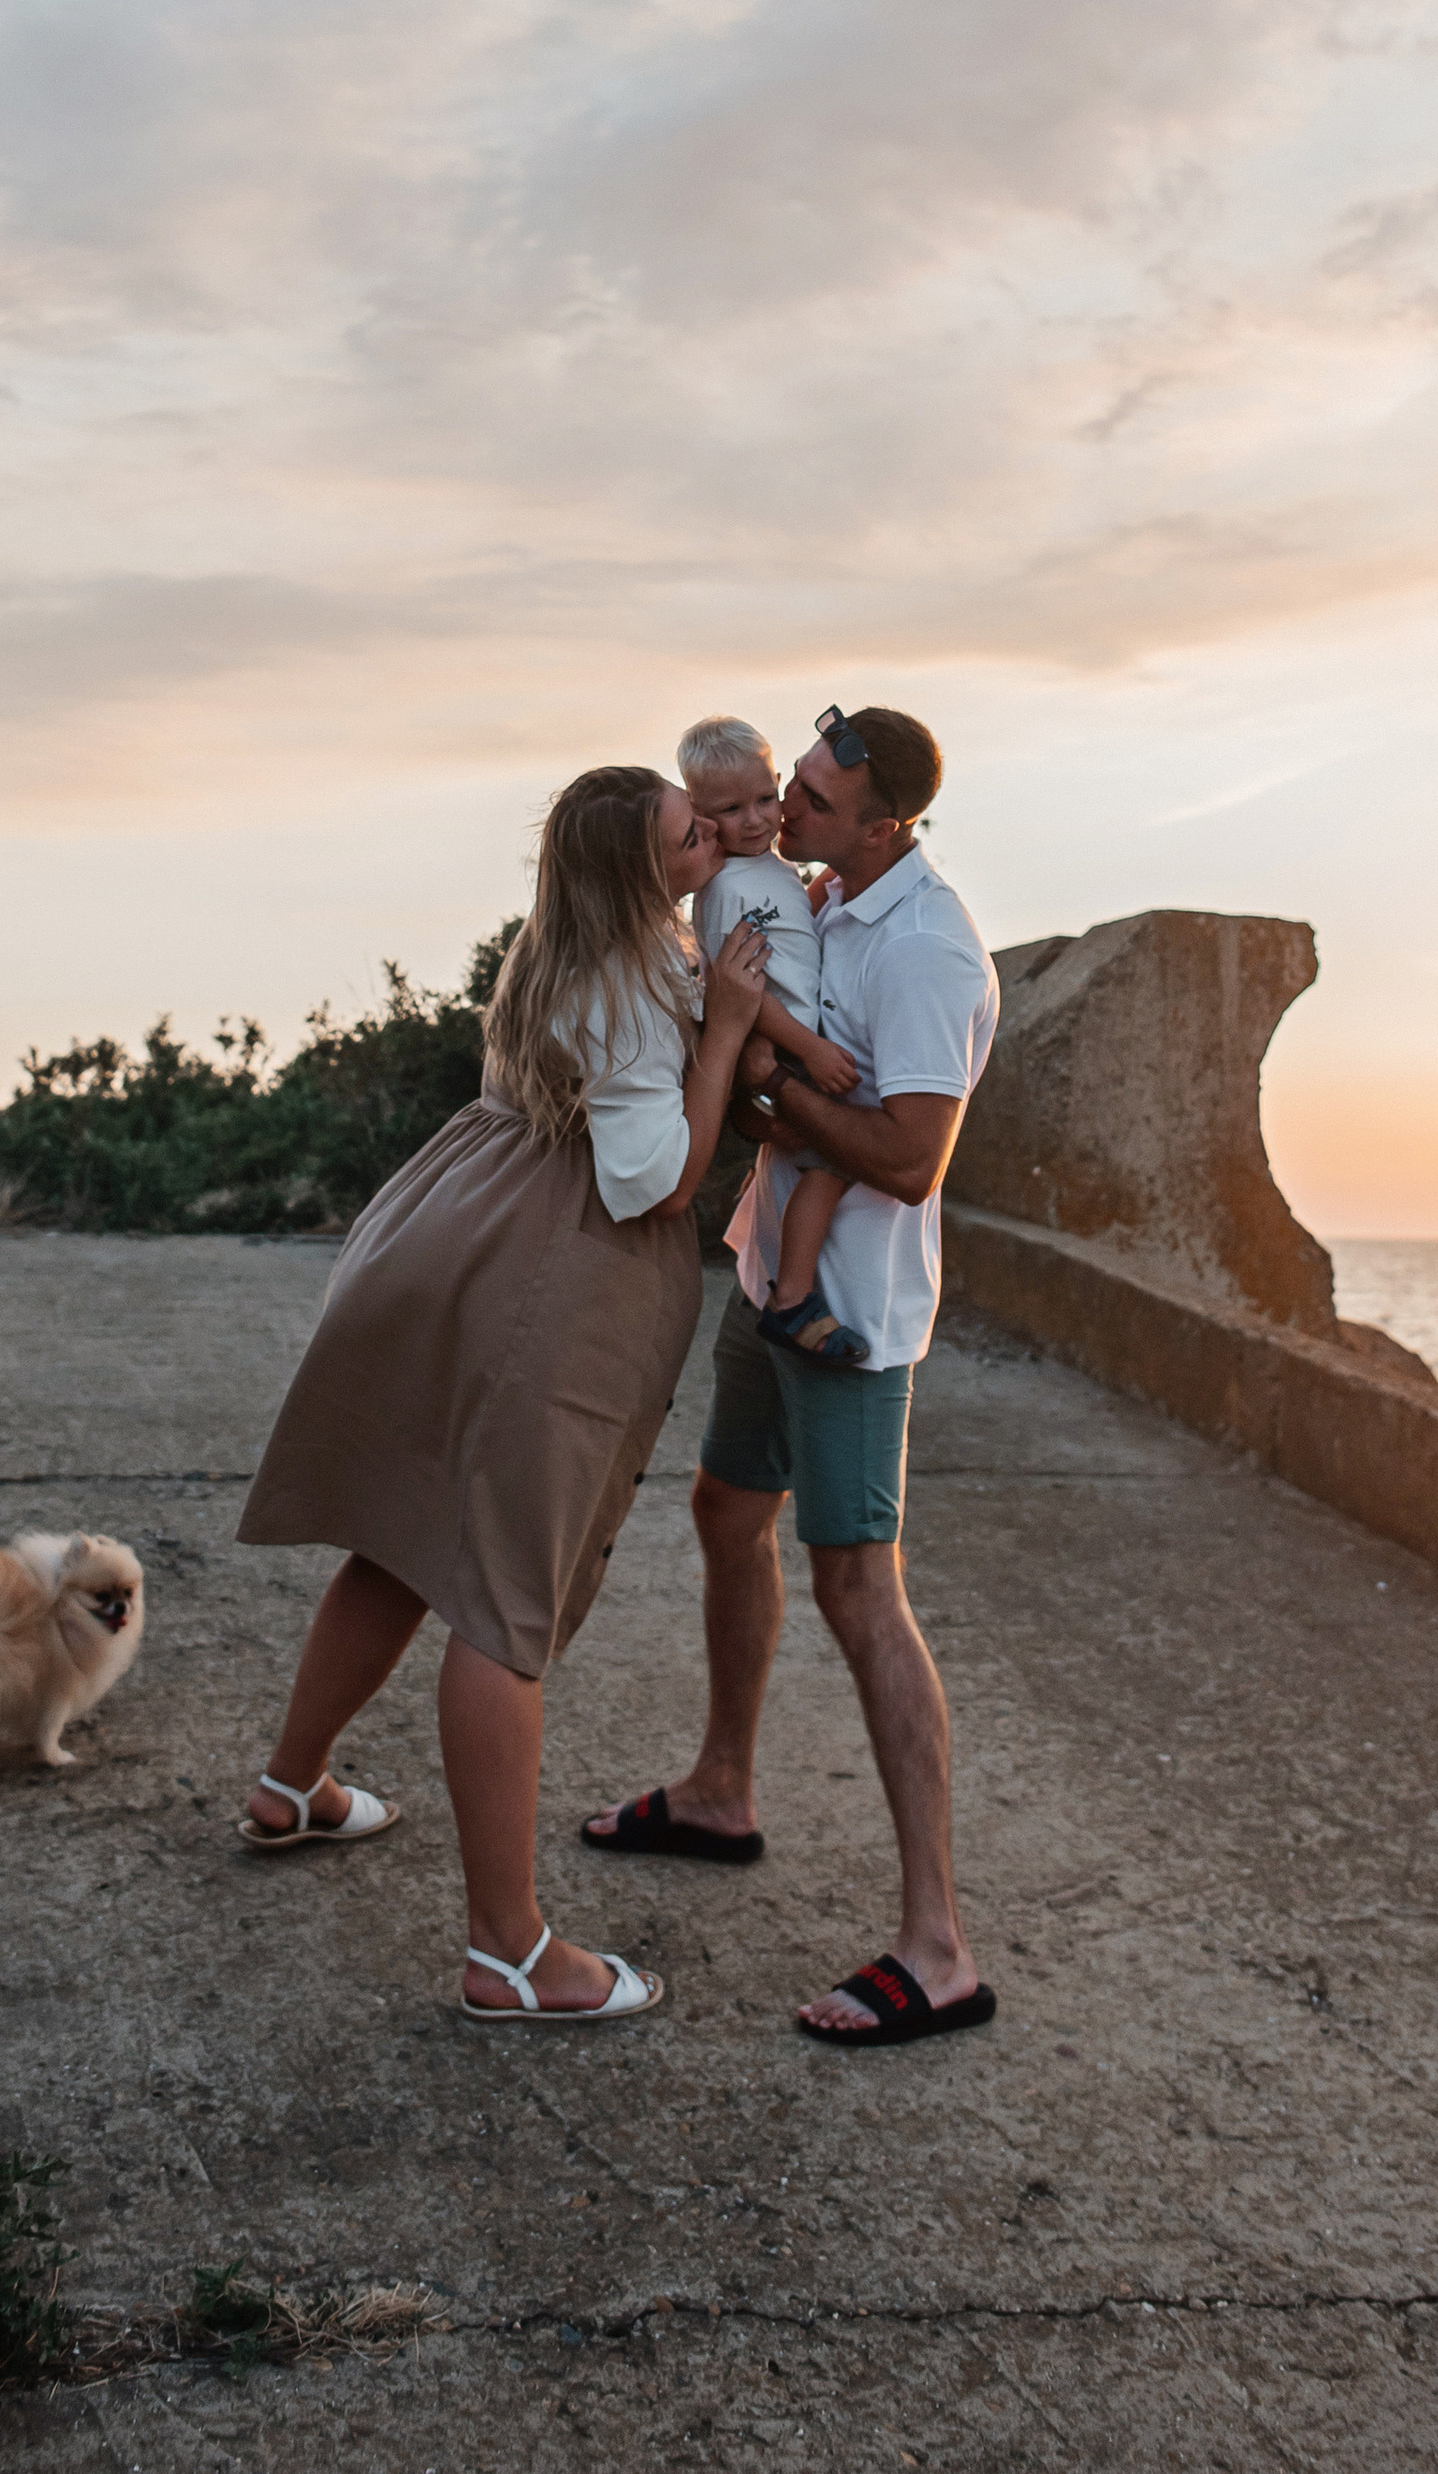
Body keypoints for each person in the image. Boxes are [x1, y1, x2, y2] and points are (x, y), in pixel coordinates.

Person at [235, 764, 768, 2023]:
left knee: (407, 1542)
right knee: (503, 1604)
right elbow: (657, 1182)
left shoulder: (565, 941)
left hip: (451, 1241)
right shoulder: (636, 987)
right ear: (643, 872)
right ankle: (510, 1953)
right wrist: (732, 1028)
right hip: (552, 1277)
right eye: (694, 839)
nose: (716, 846)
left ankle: (288, 1785)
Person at [583, 703, 1002, 2049]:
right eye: (793, 791)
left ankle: (938, 1946)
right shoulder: (829, 891)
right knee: (722, 1504)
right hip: (769, 1271)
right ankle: (720, 1786)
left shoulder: (931, 948)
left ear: (889, 824)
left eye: (814, 803)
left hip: (855, 1315)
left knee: (857, 1587)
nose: (787, 817)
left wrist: (764, 1094)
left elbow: (909, 1156)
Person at [677, 714, 867, 1367]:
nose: (756, 819)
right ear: (702, 818)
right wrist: (808, 1051)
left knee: (809, 1159)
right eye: (731, 809)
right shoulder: (728, 888)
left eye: (765, 797)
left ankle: (778, 1281)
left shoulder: (774, 870)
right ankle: (791, 1299)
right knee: (833, 1161)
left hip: (797, 1037)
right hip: (785, 1043)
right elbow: (744, 991)